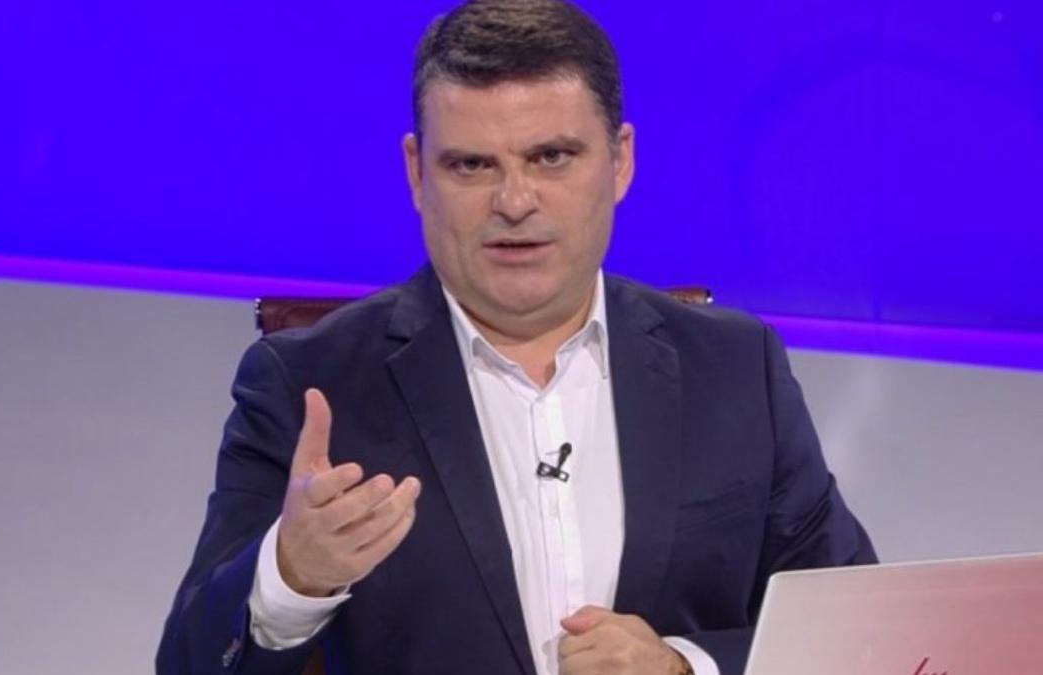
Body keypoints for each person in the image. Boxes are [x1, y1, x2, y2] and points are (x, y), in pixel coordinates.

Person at [157, 1, 876, 673]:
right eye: (472, 165)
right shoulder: (309, 383)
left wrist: (683, 664)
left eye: (552, 157)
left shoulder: (735, 367)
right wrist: (291, 578)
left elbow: (859, 633)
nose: (514, 201)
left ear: (620, 160)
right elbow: (189, 661)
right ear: (416, 173)